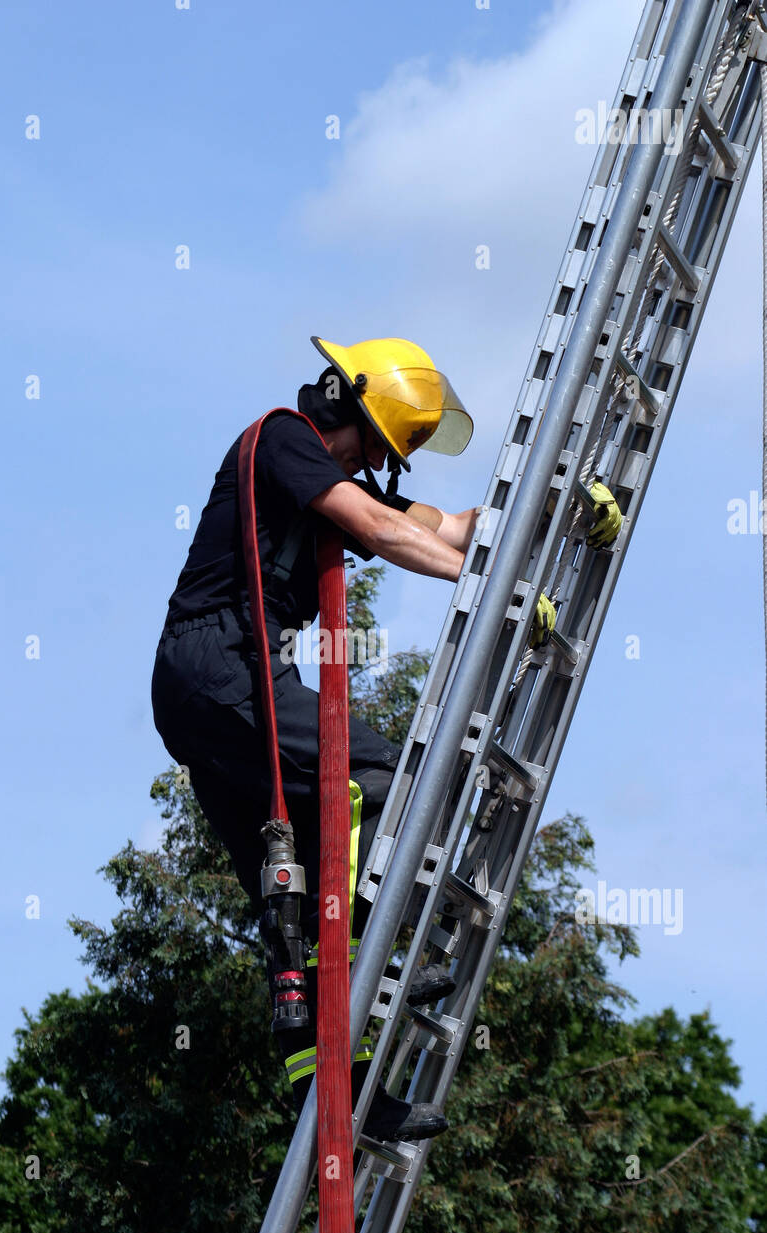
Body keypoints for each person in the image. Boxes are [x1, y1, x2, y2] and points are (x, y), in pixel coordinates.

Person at [150, 335, 618, 1141]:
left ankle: (343, 1101)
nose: (367, 465)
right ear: (347, 409)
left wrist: (558, 509)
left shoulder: (325, 475)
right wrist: (497, 593)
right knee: (377, 774)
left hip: (224, 682)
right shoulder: (284, 437)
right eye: (370, 445)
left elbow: (448, 526)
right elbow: (374, 522)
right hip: (218, 663)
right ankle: (370, 950)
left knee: (283, 904)